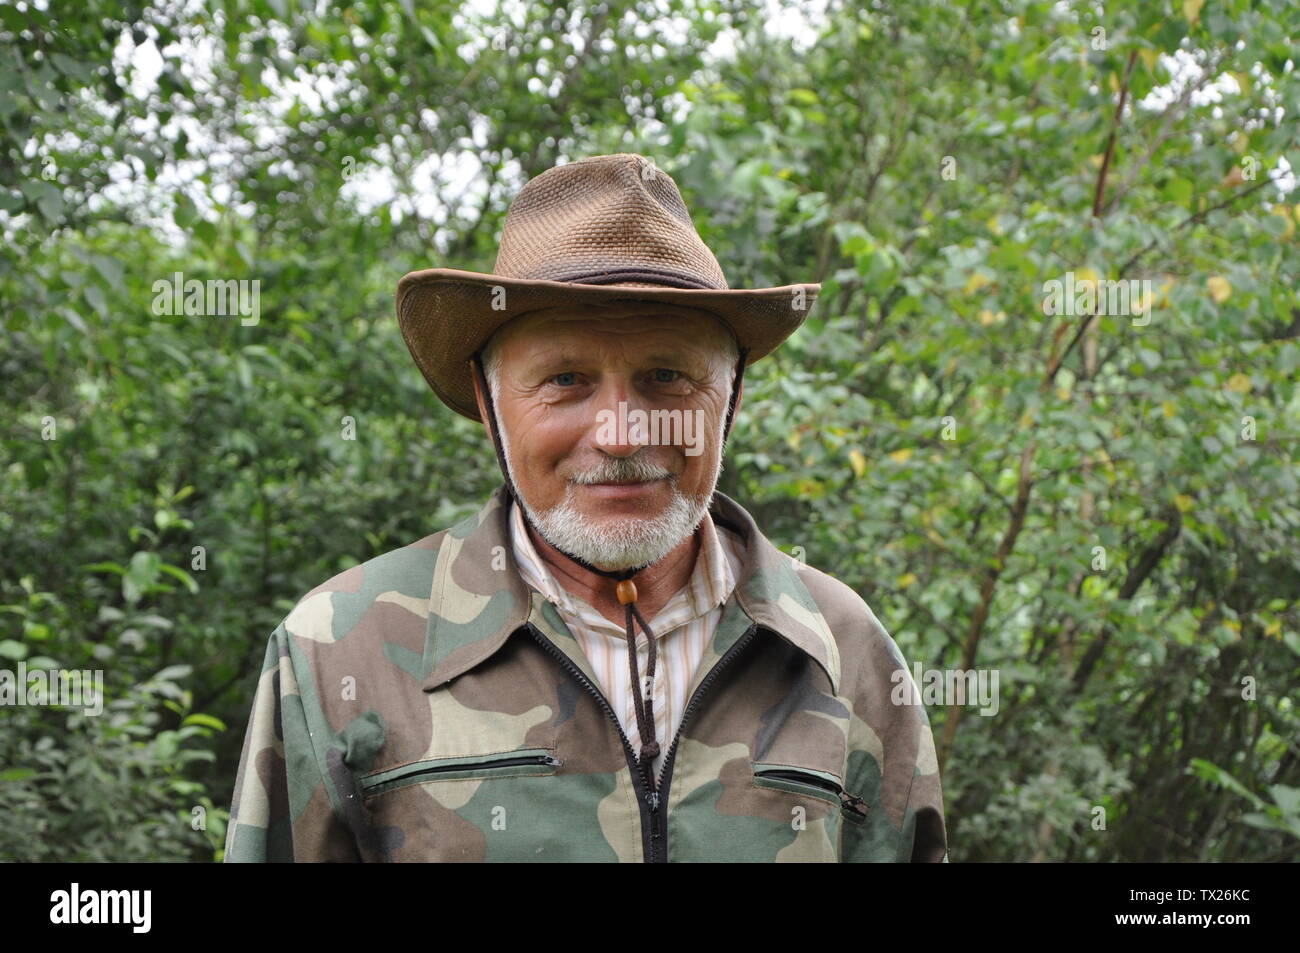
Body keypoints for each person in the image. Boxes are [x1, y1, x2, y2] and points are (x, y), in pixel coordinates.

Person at [224, 152, 948, 862]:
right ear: (489, 402)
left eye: (667, 376)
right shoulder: (335, 648)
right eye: (565, 379)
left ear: (730, 401)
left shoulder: (842, 649)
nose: (622, 434)